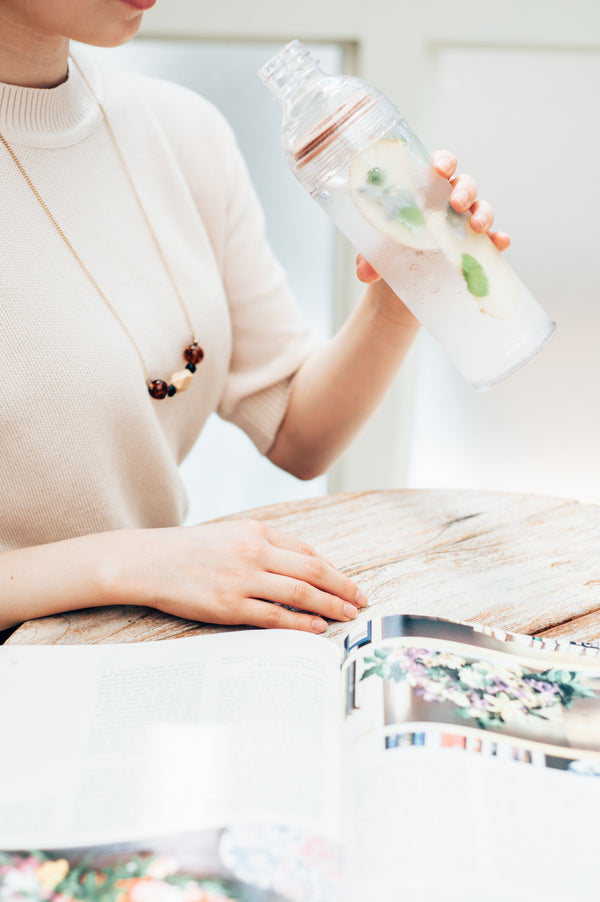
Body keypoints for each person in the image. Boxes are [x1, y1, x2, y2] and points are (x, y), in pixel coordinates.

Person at [0, 0, 510, 637]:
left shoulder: (183, 133)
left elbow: (300, 432)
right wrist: (132, 561)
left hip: (142, 657)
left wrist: (402, 286)